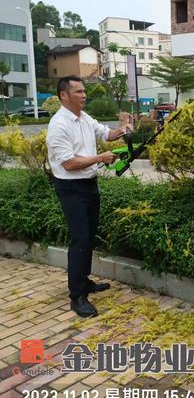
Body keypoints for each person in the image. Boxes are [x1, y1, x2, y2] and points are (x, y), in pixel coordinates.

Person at [46, 76, 133, 318]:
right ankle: (77, 296)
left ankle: (84, 283)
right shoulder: (58, 125)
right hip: (70, 187)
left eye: (84, 91)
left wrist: (122, 128)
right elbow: (69, 163)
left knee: (89, 235)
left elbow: (107, 134)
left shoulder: (85, 118)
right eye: (78, 91)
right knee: (80, 239)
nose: (84, 95)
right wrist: (100, 158)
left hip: (89, 185)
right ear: (64, 95)